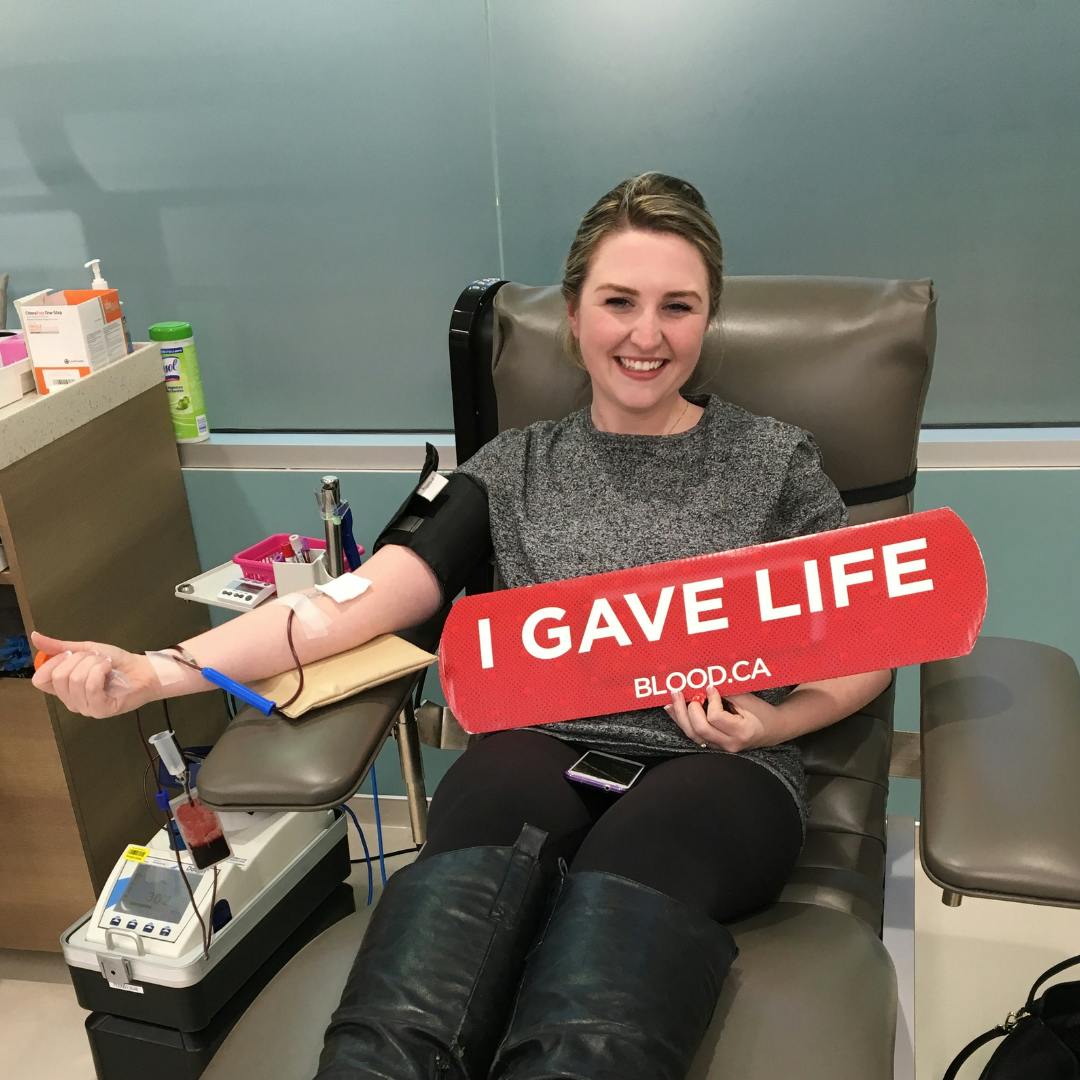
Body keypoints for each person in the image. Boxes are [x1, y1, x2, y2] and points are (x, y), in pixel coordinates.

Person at [34, 173, 891, 1080]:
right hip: (540, 747)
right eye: (619, 302)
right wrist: (159, 671)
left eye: (678, 306)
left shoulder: (771, 462)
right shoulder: (512, 468)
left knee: (623, 893)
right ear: (573, 315)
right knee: (450, 923)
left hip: (719, 765)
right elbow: (351, 603)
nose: (648, 335)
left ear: (708, 317)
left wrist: (773, 722)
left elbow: (874, 639)